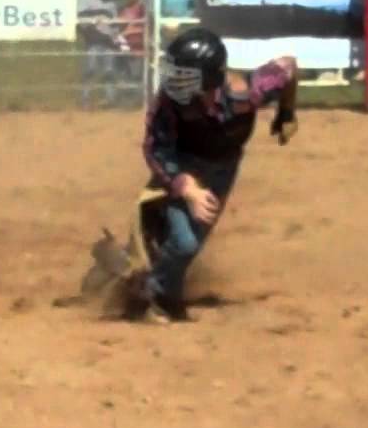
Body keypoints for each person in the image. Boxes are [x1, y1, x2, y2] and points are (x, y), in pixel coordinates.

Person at [115, 28, 298, 323]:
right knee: (185, 243)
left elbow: (288, 67)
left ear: (210, 77)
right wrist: (185, 186)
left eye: (185, 75)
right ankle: (157, 297)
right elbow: (155, 148)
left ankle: (149, 263)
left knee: (188, 243)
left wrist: (286, 113)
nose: (174, 81)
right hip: (182, 164)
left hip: (223, 168)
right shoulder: (170, 102)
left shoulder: (247, 91)